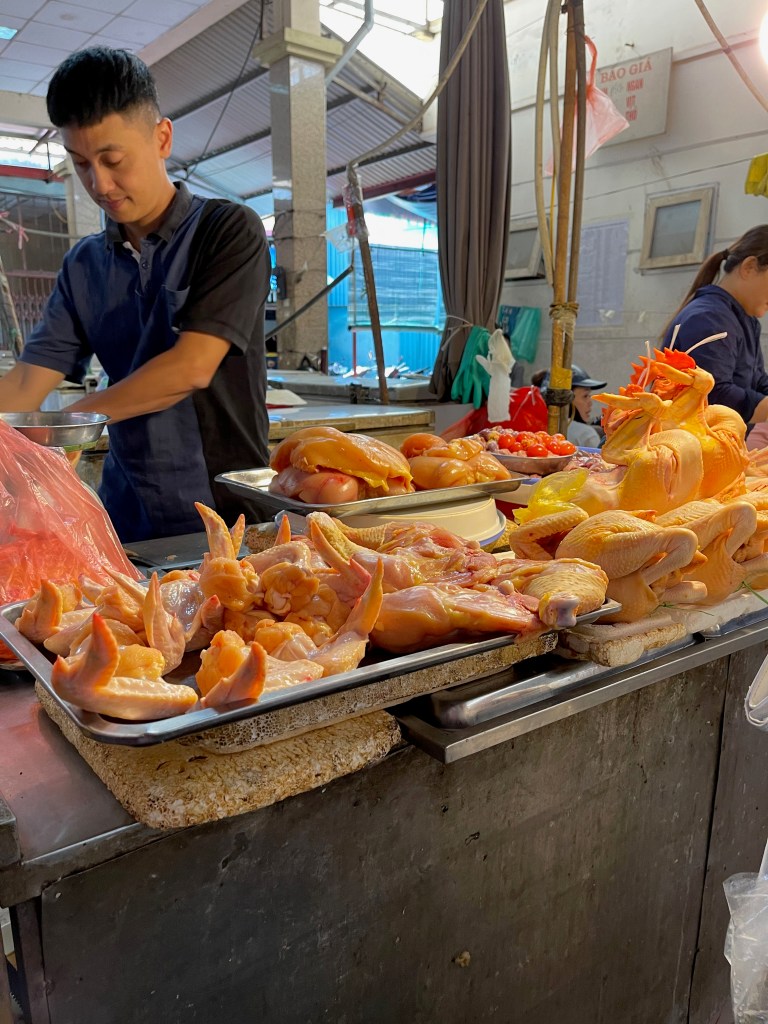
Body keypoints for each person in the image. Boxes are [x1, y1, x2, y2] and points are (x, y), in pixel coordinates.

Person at [0, 47, 271, 543]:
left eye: (113, 160)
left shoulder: (227, 231)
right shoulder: (84, 265)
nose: (99, 183)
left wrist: (68, 424)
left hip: (226, 515)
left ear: (162, 138)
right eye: (81, 164)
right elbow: (25, 382)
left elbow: (190, 367)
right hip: (128, 516)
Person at [661, 226, 768, 429]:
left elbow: (759, 381)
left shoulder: (746, 320)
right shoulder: (709, 318)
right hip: (684, 443)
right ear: (749, 267)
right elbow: (714, 396)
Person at [533, 364, 607, 448]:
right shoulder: (586, 434)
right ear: (566, 397)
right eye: (585, 396)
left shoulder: (532, 425)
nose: (590, 403)